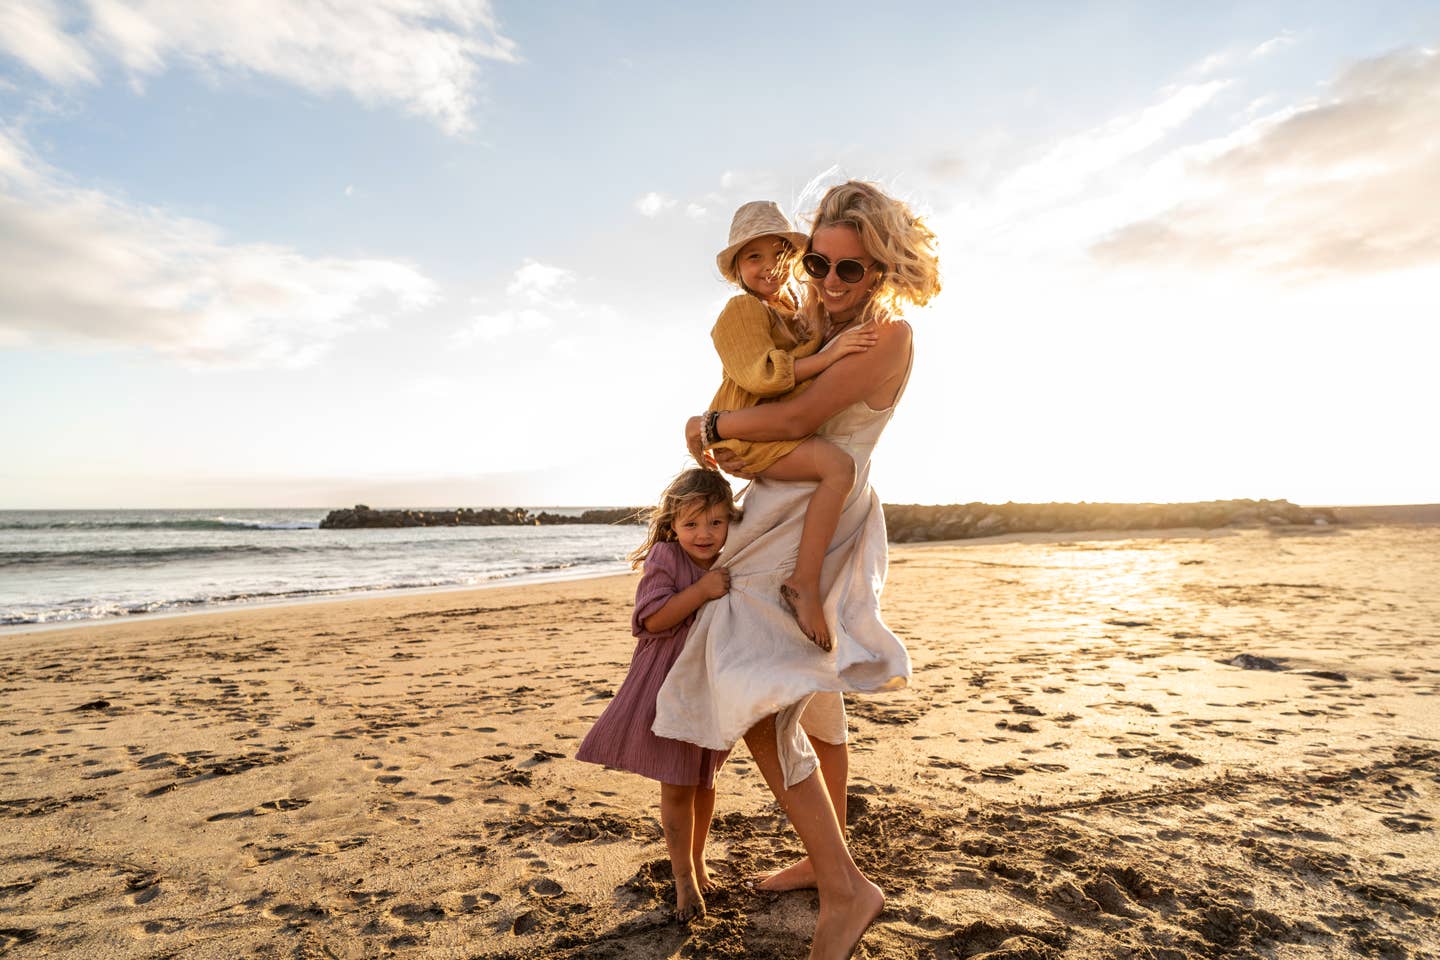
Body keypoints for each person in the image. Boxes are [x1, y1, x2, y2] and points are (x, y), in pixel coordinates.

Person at [654, 180, 940, 959]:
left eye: (854, 270)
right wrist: (731, 425)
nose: (831, 283)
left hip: (818, 509)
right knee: (810, 690)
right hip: (780, 503)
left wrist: (707, 423)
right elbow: (765, 373)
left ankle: (848, 889)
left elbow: (791, 420)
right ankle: (825, 861)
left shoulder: (890, 338)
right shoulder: (810, 318)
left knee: (755, 687)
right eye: (820, 263)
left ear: (883, 271)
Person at [707, 200, 878, 649]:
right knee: (839, 469)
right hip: (750, 430)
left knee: (836, 468)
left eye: (777, 254)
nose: (768, 267)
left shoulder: (791, 309)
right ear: (737, 269)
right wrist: (831, 354)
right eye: (753, 257)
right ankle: (804, 582)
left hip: (771, 428)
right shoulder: (740, 311)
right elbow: (761, 375)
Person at [575, 469, 738, 921]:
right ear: (672, 526)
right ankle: (682, 876)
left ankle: (698, 861)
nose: (703, 534)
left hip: (711, 684)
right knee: (677, 781)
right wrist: (703, 591)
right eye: (691, 524)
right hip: (667, 684)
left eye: (715, 523)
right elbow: (652, 621)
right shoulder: (667, 559)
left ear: (730, 521)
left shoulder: (734, 556)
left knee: (705, 779)